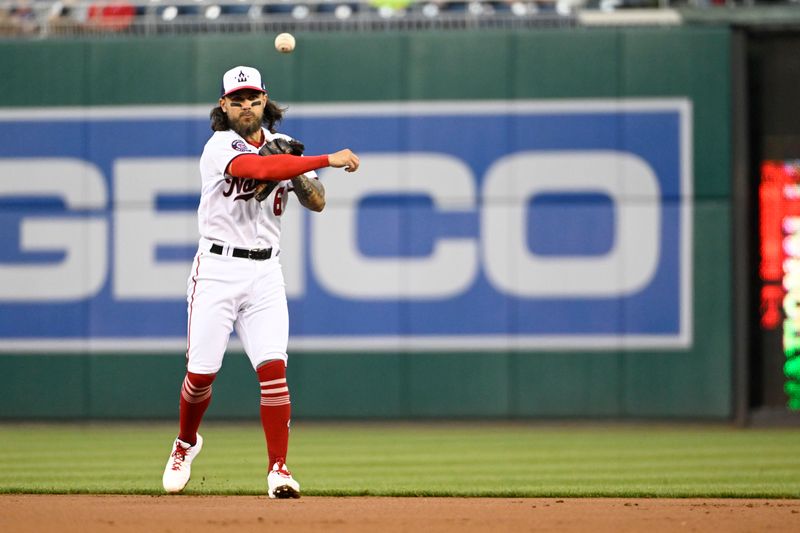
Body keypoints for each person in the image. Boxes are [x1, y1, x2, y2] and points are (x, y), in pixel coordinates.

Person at [161, 65, 360, 499]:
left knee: (273, 370)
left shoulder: (278, 149)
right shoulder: (218, 147)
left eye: (253, 99)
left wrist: (294, 169)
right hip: (216, 270)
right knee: (200, 375)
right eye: (237, 100)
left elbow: (318, 201)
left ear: (264, 101)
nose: (246, 106)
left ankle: (279, 470)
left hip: (266, 272)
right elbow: (258, 170)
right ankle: (185, 443)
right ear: (223, 106)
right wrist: (325, 159)